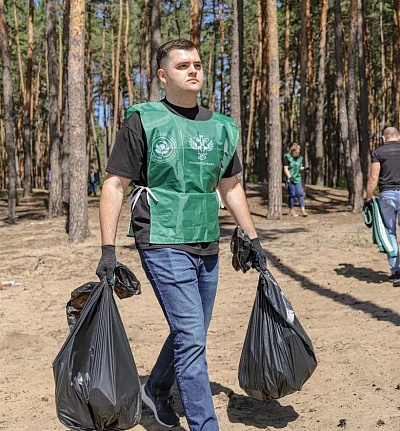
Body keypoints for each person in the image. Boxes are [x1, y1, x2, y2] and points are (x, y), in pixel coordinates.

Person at [96, 39, 266, 431]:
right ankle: (205, 426)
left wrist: (252, 237)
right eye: (182, 65)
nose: (193, 71)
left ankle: (155, 390)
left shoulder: (221, 126)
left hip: (206, 237)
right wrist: (108, 249)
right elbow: (115, 184)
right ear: (162, 76)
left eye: (198, 65)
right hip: (160, 234)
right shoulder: (143, 119)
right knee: (191, 335)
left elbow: (230, 186)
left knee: (191, 331)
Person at [365, 126, 400, 286]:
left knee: (390, 233)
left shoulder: (378, 152)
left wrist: (368, 197)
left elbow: (373, 177)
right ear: (398, 136)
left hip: (386, 195)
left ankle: (396, 271)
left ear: (384, 138)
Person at [283, 143, 310, 217]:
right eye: (296, 152)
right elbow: (285, 169)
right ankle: (291, 210)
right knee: (292, 194)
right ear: (292, 151)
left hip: (297, 178)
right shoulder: (287, 157)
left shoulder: (300, 158)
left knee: (300, 194)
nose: (297, 154)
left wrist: (304, 168)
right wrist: (289, 177)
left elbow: (298, 167)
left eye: (299, 152)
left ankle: (303, 210)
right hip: (290, 179)